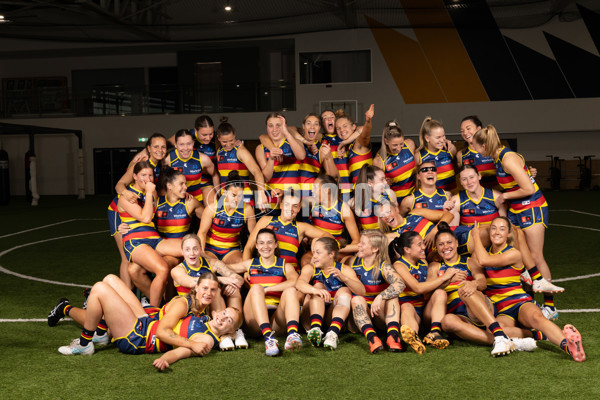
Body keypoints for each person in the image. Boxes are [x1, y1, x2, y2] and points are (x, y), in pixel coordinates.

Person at [472, 125, 564, 319]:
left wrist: (504, 196)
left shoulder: (508, 158)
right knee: (522, 256)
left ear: (484, 145)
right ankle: (529, 301)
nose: (476, 151)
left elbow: (529, 188)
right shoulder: (498, 158)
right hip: (518, 208)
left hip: (532, 207)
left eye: (476, 147)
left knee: (536, 256)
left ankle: (550, 307)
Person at [471, 218, 585, 362]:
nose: (497, 232)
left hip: (519, 303)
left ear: (508, 233)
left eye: (501, 229)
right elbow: (479, 263)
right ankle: (540, 335)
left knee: (537, 318)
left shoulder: (514, 254)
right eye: (493, 228)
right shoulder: (483, 253)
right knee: (492, 331)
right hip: (500, 309)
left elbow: (484, 261)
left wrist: (475, 236)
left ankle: (569, 347)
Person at [57, 273, 238, 363]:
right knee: (105, 283)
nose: (208, 293)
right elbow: (162, 332)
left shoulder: (204, 314)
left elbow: (224, 324)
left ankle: (89, 331)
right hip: (147, 326)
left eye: (213, 290)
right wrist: (192, 344)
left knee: (103, 285)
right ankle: (86, 342)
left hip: (140, 333)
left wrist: (230, 333)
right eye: (205, 288)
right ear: (196, 287)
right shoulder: (185, 304)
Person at [427, 225, 538, 356]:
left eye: (449, 242)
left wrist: (473, 284)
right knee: (447, 321)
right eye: (441, 244)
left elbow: (482, 282)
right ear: (437, 247)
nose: (446, 247)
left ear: (456, 243)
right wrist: (447, 281)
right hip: (460, 316)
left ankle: (499, 334)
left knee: (465, 289)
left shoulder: (469, 262)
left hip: (478, 307)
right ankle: (508, 340)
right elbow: (428, 294)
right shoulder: (435, 267)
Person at [389, 231, 467, 353]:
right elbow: (418, 288)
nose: (424, 247)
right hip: (407, 310)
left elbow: (427, 292)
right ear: (407, 249)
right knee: (407, 306)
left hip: (425, 310)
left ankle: (435, 332)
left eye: (423, 244)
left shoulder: (423, 262)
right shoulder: (399, 265)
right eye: (419, 244)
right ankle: (413, 337)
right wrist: (445, 277)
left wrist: (448, 280)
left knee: (440, 293)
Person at [228, 228, 301, 356]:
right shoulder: (250, 264)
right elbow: (223, 268)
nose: (265, 246)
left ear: (275, 244)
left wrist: (267, 289)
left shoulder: (284, 265)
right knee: (256, 288)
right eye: (261, 243)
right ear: (256, 246)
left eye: (269, 242)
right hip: (254, 321)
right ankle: (268, 338)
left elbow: (295, 282)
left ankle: (292, 335)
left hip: (276, 319)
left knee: (290, 291)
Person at [108, 133, 168, 288]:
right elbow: (119, 184)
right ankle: (128, 296)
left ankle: (140, 290)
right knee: (126, 258)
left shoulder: (162, 164)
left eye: (163, 147)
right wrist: (126, 193)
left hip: (141, 209)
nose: (160, 150)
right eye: (155, 147)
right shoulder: (141, 162)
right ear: (148, 148)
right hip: (121, 209)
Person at [295, 237, 365, 350]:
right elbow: (299, 284)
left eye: (318, 252)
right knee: (318, 286)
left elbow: (361, 291)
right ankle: (316, 329)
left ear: (331, 254)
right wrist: (315, 290)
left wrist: (345, 279)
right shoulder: (310, 268)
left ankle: (332, 333)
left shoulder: (343, 269)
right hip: (310, 319)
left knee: (345, 290)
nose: (314, 256)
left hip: (331, 317)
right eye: (313, 253)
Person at [243, 190, 334, 271]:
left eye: (294, 206)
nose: (290, 209)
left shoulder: (301, 227)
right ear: (281, 205)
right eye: (287, 204)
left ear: (298, 209)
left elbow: (327, 235)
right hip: (266, 272)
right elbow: (249, 248)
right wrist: (247, 270)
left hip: (290, 274)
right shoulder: (266, 220)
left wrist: (315, 246)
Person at [349, 231, 406, 353]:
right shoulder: (351, 262)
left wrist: (380, 297)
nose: (358, 245)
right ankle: (372, 339)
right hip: (360, 318)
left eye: (363, 243)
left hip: (379, 315)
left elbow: (400, 284)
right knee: (356, 299)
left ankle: (393, 336)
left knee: (393, 297)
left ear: (375, 248)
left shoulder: (384, 266)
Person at [198, 171, 256, 264]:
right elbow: (202, 233)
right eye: (233, 195)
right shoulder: (212, 208)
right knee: (205, 265)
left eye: (240, 196)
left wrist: (247, 255)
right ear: (225, 192)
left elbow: (253, 235)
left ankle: (222, 269)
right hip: (211, 249)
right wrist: (202, 253)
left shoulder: (247, 210)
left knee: (243, 264)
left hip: (231, 250)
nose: (236, 199)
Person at [215, 118, 269, 210]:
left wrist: (261, 194)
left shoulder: (240, 150)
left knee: (246, 224)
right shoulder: (219, 151)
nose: (228, 144)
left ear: (235, 135)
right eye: (224, 142)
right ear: (218, 138)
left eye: (231, 140)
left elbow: (257, 172)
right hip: (225, 197)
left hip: (243, 196)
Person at [255, 113, 306, 209]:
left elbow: (301, 156)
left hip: (291, 202)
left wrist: (286, 132)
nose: (274, 129)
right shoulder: (260, 148)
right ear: (267, 127)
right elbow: (265, 178)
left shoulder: (294, 142)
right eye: (270, 126)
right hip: (271, 202)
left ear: (284, 126)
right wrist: (271, 159)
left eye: (278, 125)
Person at [165, 129, 219, 206]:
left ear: (193, 143)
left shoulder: (203, 159)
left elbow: (215, 174)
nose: (185, 148)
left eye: (189, 144)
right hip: (177, 201)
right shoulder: (167, 159)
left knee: (212, 209)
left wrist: (219, 194)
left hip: (198, 200)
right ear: (175, 145)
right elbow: (162, 184)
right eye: (181, 144)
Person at [309, 174, 360, 254]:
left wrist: (334, 249)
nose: (312, 191)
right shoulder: (312, 202)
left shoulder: (344, 209)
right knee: (305, 260)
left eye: (315, 188)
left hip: (335, 252)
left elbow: (356, 241)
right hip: (315, 251)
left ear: (326, 190)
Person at [374, 120, 417, 205]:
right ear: (386, 141)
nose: (399, 148)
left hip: (414, 198)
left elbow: (424, 154)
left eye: (401, 143)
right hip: (396, 202)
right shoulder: (379, 161)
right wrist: (384, 182)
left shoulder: (409, 145)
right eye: (394, 145)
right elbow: (377, 188)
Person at [415, 117, 457, 192]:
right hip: (434, 199)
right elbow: (417, 181)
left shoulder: (450, 149)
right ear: (427, 138)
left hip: (453, 196)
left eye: (443, 136)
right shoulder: (419, 156)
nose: (442, 140)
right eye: (438, 137)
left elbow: (457, 169)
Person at [456, 115, 498, 188]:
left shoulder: (494, 150)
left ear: (479, 129)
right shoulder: (461, 155)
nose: (465, 133)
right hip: (475, 196)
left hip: (498, 195)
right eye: (462, 131)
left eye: (468, 128)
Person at [352, 164, 397, 232]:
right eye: (382, 179)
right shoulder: (355, 202)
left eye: (385, 179)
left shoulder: (390, 195)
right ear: (370, 183)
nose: (385, 182)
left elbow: (398, 222)